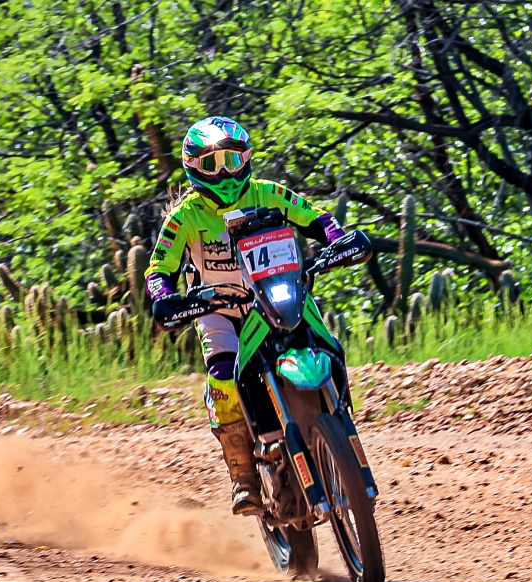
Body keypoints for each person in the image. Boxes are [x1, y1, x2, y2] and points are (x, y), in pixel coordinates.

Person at [144, 116, 369, 515]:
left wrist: (339, 241)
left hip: (278, 296)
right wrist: (165, 297)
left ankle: (339, 419)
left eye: (232, 160)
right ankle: (244, 477)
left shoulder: (269, 193)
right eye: (213, 164)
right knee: (223, 378)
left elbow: (317, 218)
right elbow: (159, 269)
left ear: (247, 158)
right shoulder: (185, 217)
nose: (226, 172)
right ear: (193, 168)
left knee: (330, 345)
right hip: (219, 311)